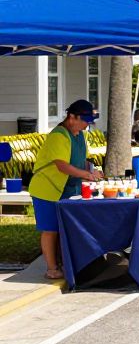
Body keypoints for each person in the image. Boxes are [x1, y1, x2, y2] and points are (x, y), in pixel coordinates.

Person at [29, 100, 104, 280]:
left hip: (69, 188)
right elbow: (62, 165)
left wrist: (92, 170)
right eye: (84, 120)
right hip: (47, 189)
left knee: (67, 227)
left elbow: (83, 159)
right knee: (51, 229)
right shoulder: (58, 136)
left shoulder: (79, 135)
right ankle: (52, 268)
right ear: (71, 117)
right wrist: (87, 175)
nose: (87, 124)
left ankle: (68, 263)